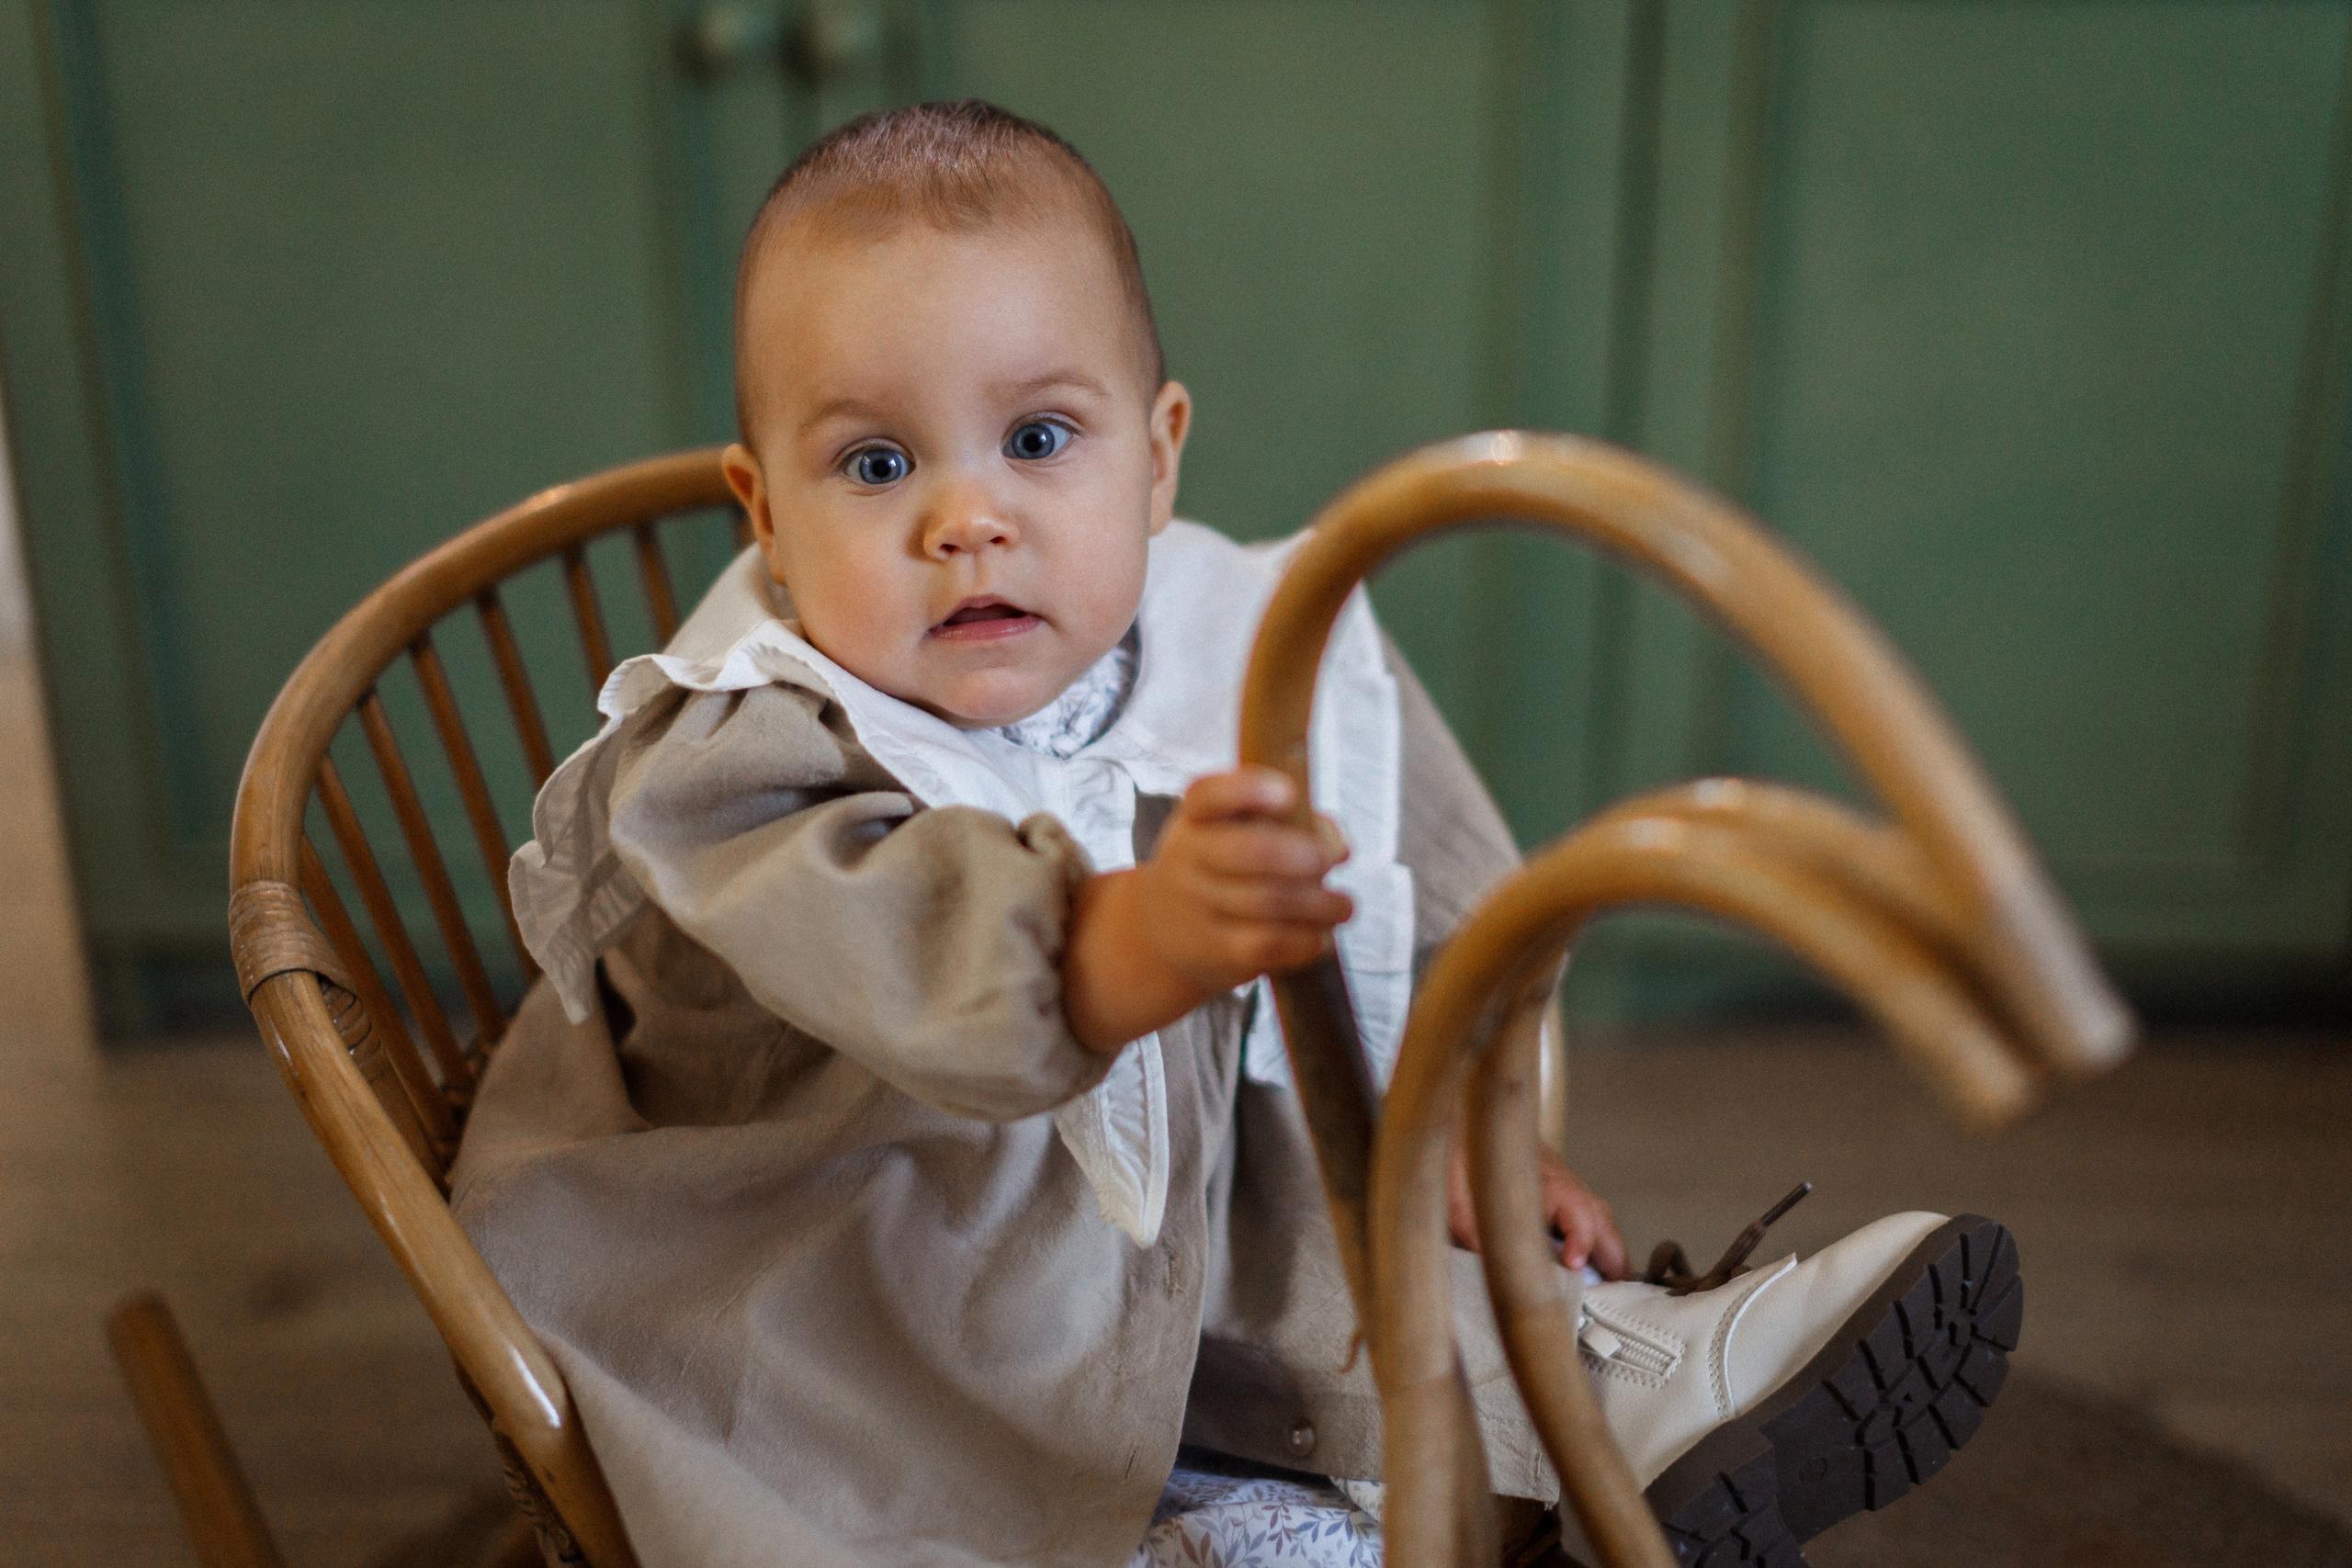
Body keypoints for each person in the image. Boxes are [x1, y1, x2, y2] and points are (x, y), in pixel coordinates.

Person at [453, 101, 2020, 1568]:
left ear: (1160, 453)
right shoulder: (733, 755)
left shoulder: (1245, 641)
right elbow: (919, 967)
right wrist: (1136, 937)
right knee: (987, 1466)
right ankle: (1369, 1486)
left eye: (1042, 439)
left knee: (1350, 1241)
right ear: (765, 513)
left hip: (1182, 1218)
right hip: (840, 1274)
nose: (966, 517)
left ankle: (1604, 1387)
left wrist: (1469, 1126)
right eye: (875, 464)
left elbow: (1432, 883)